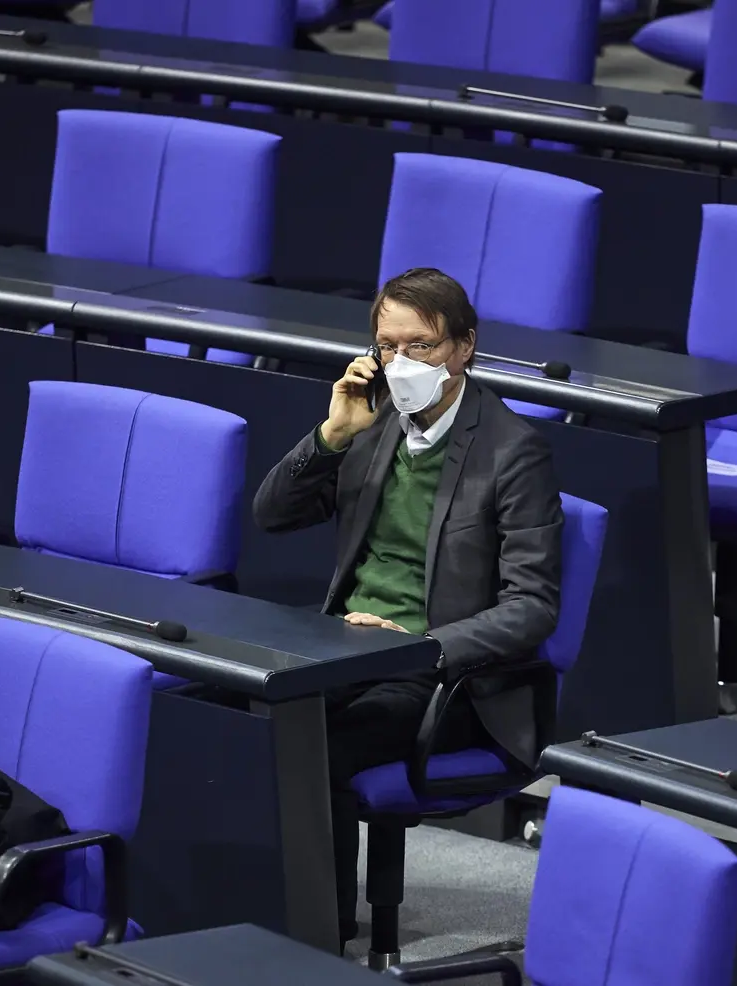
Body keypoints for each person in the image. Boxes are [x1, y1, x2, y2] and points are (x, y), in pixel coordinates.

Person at [253, 267, 564, 952]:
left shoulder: (511, 453)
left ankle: (316, 942)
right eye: (386, 345)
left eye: (419, 346)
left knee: (312, 750)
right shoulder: (371, 424)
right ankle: (252, 916)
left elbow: (532, 607)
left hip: (446, 682)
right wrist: (332, 434)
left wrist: (421, 647)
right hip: (344, 652)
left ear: (462, 348)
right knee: (240, 718)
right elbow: (271, 515)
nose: (399, 363)